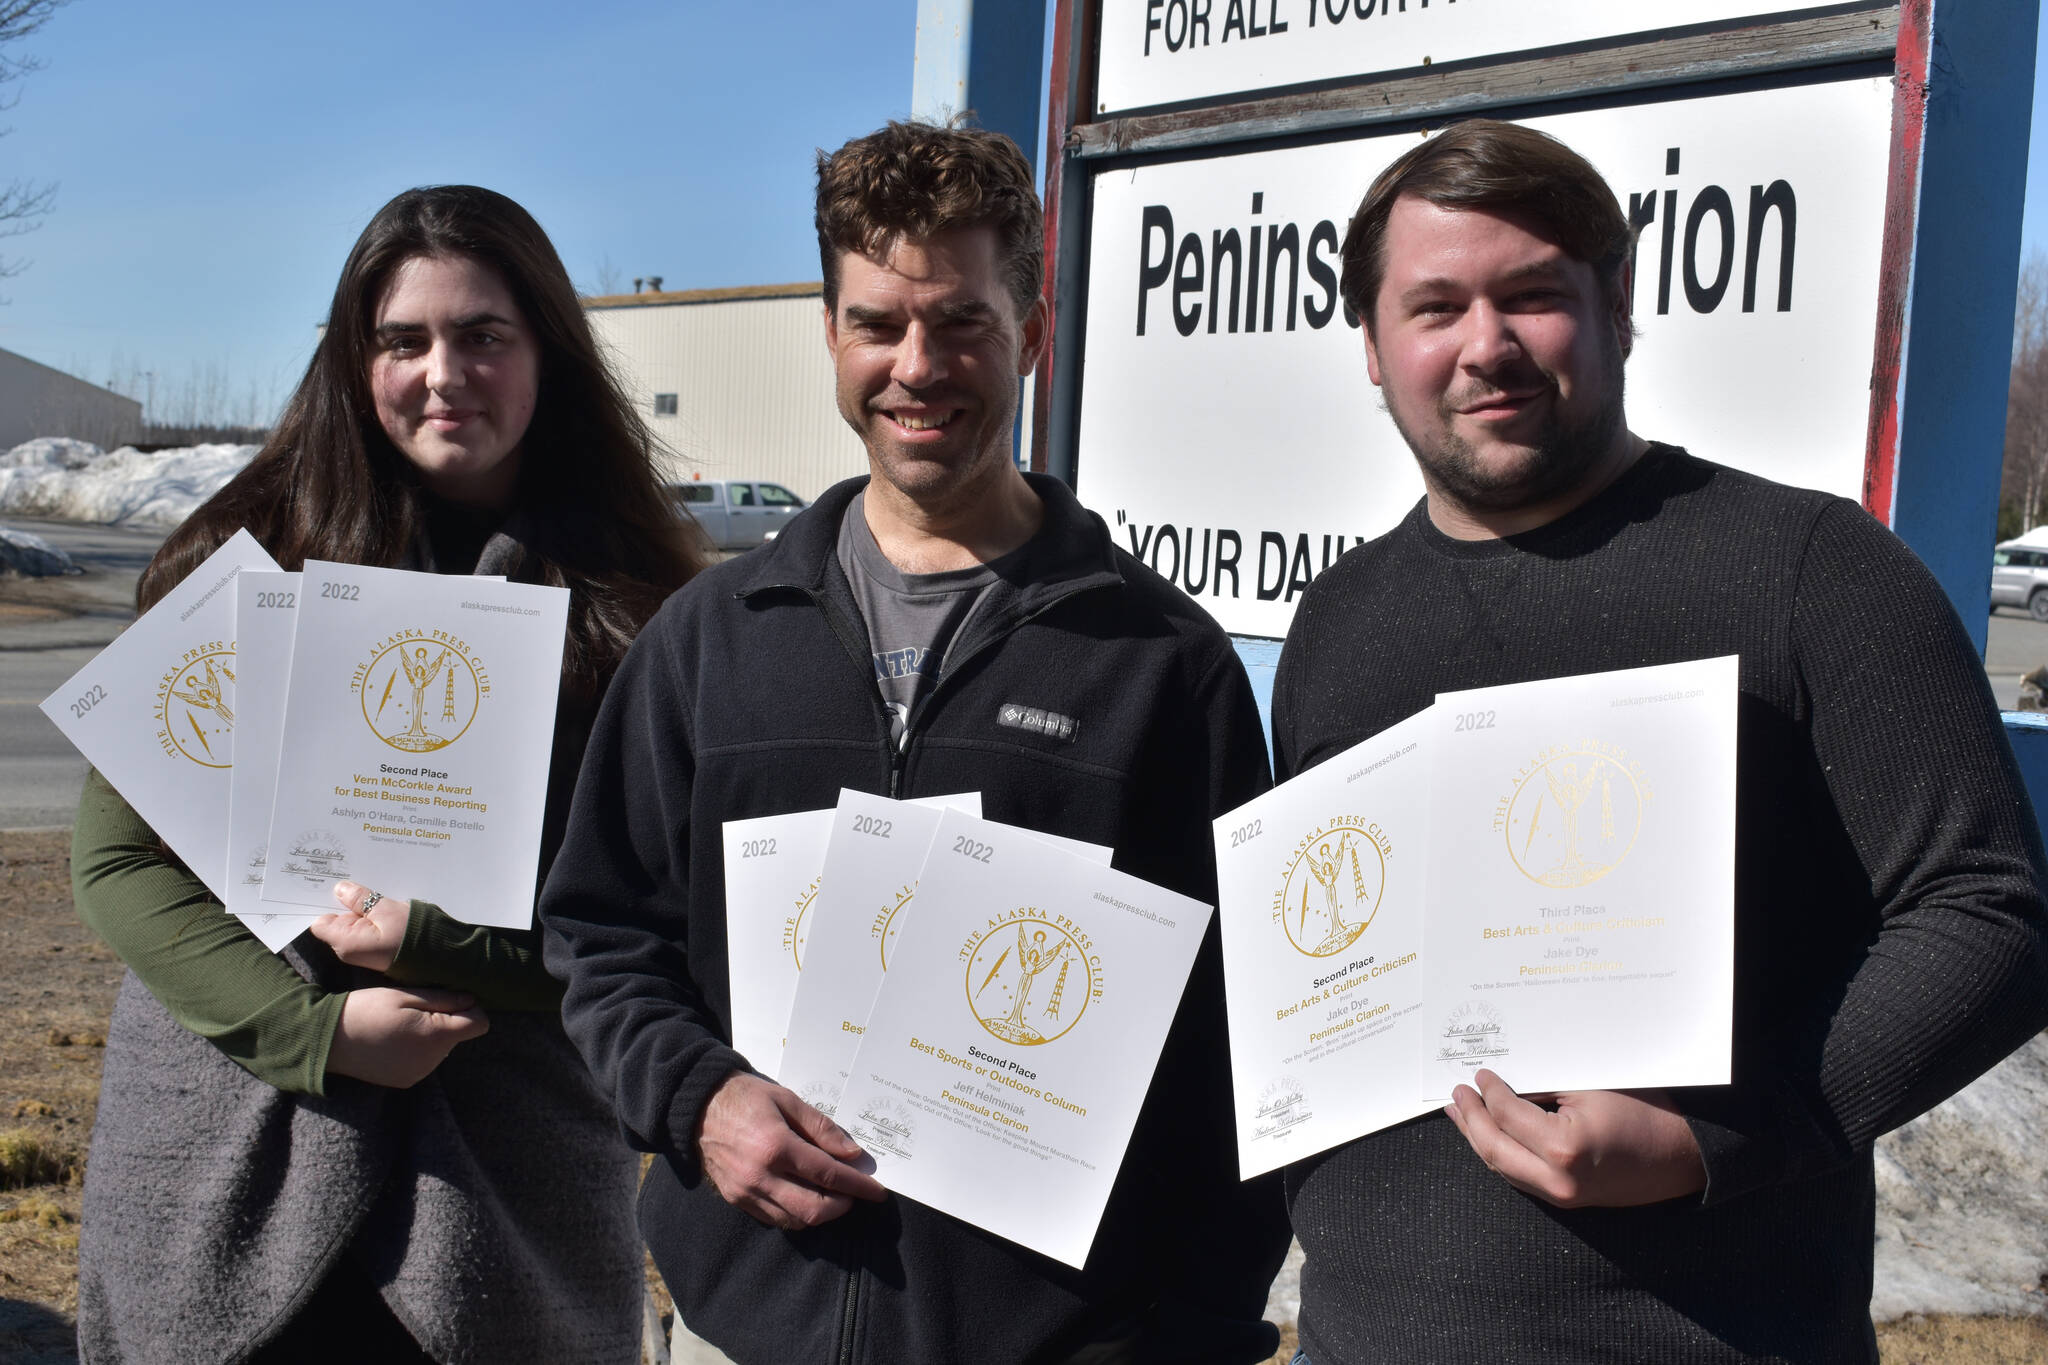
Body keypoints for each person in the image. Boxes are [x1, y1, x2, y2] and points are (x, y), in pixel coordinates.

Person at [1271, 118, 2048, 1363]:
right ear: (1370, 347)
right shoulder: (1337, 621)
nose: (1486, 347)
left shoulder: (1806, 570)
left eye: (1532, 297)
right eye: (1435, 308)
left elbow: (1987, 916)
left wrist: (1720, 1135)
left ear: (1618, 310)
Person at [538, 121, 1291, 1365]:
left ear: (1031, 338)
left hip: (1055, 1341)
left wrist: (1199, 1332)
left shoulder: (1161, 665)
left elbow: (1230, 1048)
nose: (917, 365)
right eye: (879, 323)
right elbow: (603, 932)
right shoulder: (711, 642)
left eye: (962, 324)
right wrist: (698, 1101)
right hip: (746, 1326)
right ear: (832, 337)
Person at [72, 184, 705, 1363]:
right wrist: (315, 1032)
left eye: (482, 337)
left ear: (548, 356)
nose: (441, 372)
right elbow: (114, 859)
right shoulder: (243, 558)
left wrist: (442, 947)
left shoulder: (639, 611)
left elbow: (650, 925)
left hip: (505, 1189)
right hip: (225, 1158)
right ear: (353, 360)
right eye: (402, 340)